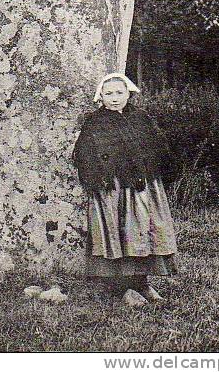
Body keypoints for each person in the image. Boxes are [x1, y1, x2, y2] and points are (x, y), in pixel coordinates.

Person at [71, 72, 178, 307]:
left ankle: (143, 283)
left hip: (142, 189)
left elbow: (157, 147)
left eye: (119, 93)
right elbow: (85, 154)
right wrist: (101, 178)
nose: (114, 98)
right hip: (114, 190)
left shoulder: (141, 119)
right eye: (108, 94)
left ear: (128, 93)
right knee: (120, 235)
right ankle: (123, 288)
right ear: (101, 97)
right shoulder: (95, 122)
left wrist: (152, 171)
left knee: (143, 233)